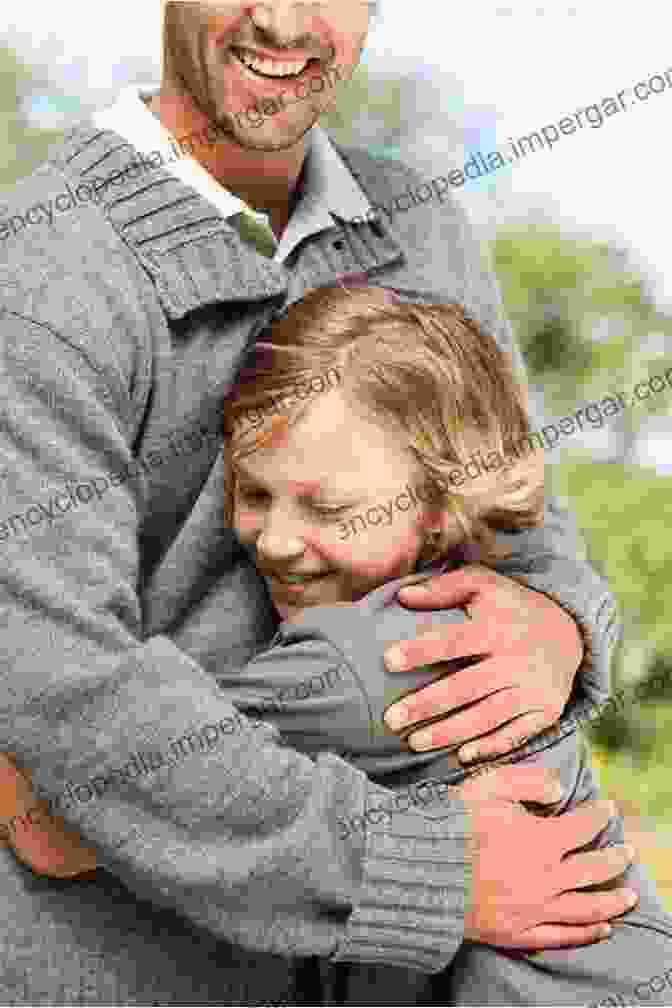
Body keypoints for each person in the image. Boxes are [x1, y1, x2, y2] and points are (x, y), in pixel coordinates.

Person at [0, 0, 651, 1003]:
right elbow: (71, 711)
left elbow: (518, 520)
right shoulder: (40, 280)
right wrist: (431, 869)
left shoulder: (422, 226)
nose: (283, 19)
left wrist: (556, 624)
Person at [4, 284, 672, 1008]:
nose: (280, 541)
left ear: (439, 514)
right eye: (254, 494)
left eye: (330, 509)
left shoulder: (371, 664)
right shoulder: (476, 611)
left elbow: (68, 814)